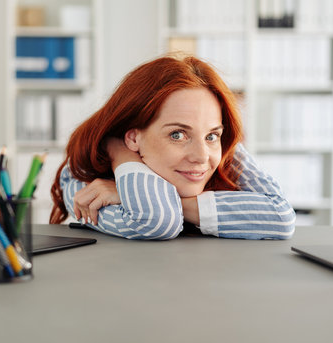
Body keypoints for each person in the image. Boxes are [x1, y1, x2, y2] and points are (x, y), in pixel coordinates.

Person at [50, 55, 296, 240]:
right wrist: (119, 152)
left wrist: (128, 195)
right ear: (132, 137)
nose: (201, 157)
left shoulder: (222, 150)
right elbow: (156, 220)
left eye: (212, 135)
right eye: (177, 135)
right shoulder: (82, 174)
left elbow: (280, 217)